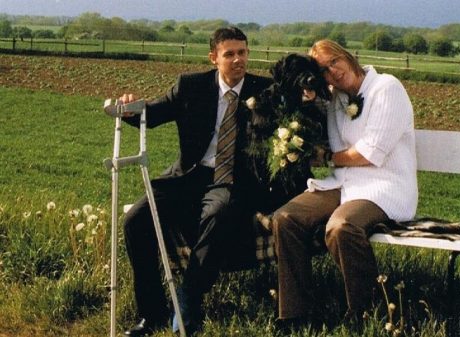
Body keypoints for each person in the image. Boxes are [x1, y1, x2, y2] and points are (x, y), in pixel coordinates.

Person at [118, 27, 273, 336]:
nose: (238, 59)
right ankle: (152, 315)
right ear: (213, 57)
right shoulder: (191, 86)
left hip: (233, 179)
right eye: (229, 54)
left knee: (217, 215)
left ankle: (189, 296)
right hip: (189, 177)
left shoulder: (266, 91)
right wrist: (129, 108)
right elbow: (152, 113)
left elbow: (294, 122)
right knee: (135, 221)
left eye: (242, 52)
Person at [271, 39, 418, 329]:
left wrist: (325, 156)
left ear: (348, 57)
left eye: (334, 62)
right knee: (286, 218)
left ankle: (366, 314)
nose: (333, 72)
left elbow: (369, 154)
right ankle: (295, 315)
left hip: (384, 186)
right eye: (324, 70)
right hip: (345, 183)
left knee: (341, 226)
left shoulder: (387, 88)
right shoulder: (337, 100)